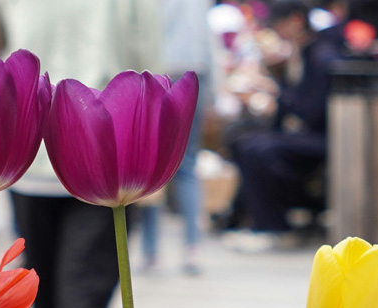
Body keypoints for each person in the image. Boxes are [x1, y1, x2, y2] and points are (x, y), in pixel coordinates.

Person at [0, 0, 163, 308]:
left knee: (42, 287)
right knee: (84, 289)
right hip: (103, 152)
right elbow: (150, 67)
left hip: (32, 153)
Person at [227, 0, 341, 237]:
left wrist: (276, 91)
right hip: (305, 133)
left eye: (278, 25)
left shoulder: (321, 55)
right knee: (241, 139)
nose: (277, 32)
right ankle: (248, 218)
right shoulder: (301, 52)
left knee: (257, 148)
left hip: (324, 137)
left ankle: (272, 225)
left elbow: (312, 113)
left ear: (296, 21)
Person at [136, 0, 218, 274]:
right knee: (187, 163)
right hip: (194, 69)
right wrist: (214, 94)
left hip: (155, 68)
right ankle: (192, 248)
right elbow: (208, 39)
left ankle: (150, 251)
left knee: (149, 161)